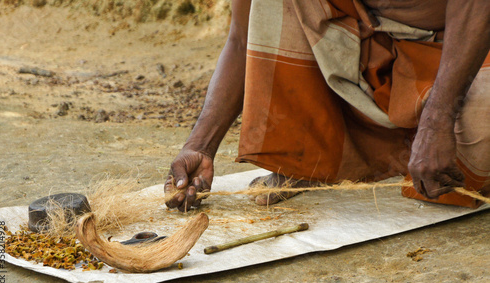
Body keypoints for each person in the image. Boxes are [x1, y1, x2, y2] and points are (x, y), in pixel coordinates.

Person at [164, 0, 490, 212]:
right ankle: (309, 159)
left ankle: (422, 138)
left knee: (478, 126)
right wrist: (201, 146)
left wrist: (437, 120)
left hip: (465, 49)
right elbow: (241, 37)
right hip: (370, 54)